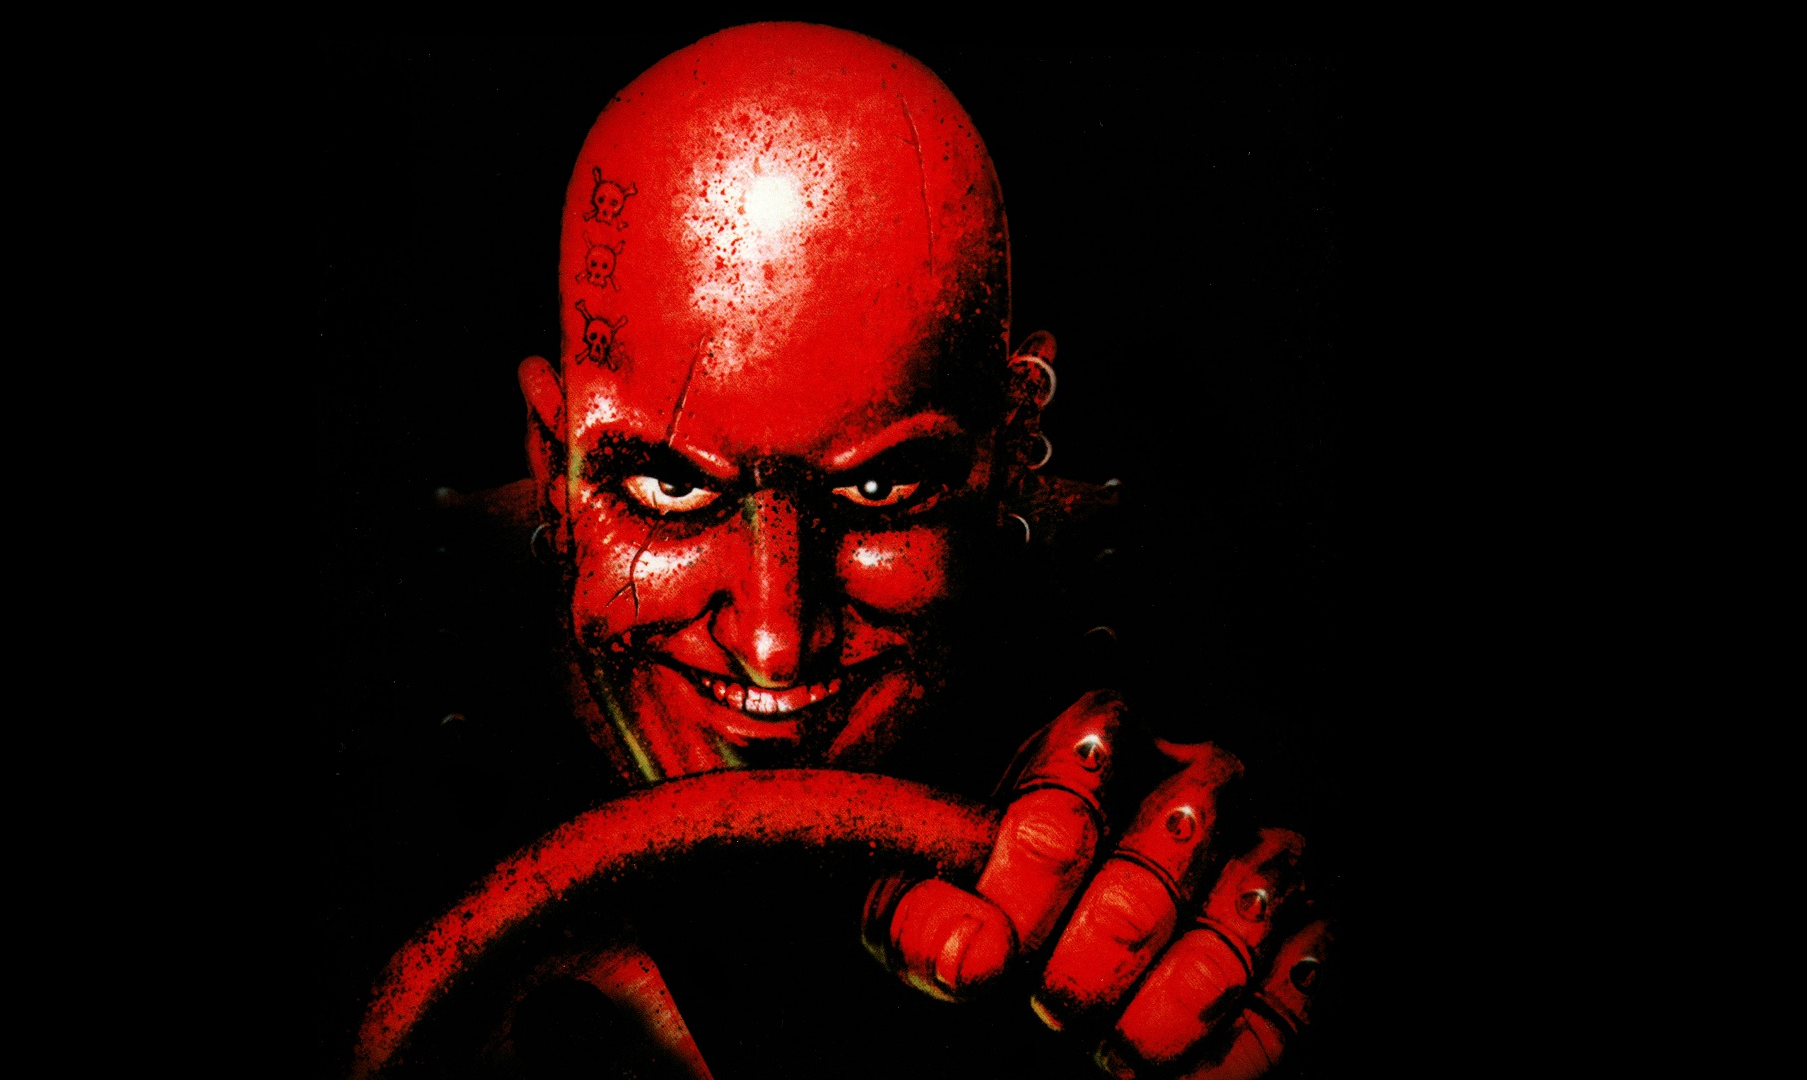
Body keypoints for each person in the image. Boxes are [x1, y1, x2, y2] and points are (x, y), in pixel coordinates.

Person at [323, 25, 1343, 1080]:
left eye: (880, 491)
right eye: (671, 489)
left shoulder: (1194, 620)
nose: (776, 640)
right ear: (553, 454)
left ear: (1013, 450)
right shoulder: (382, 658)